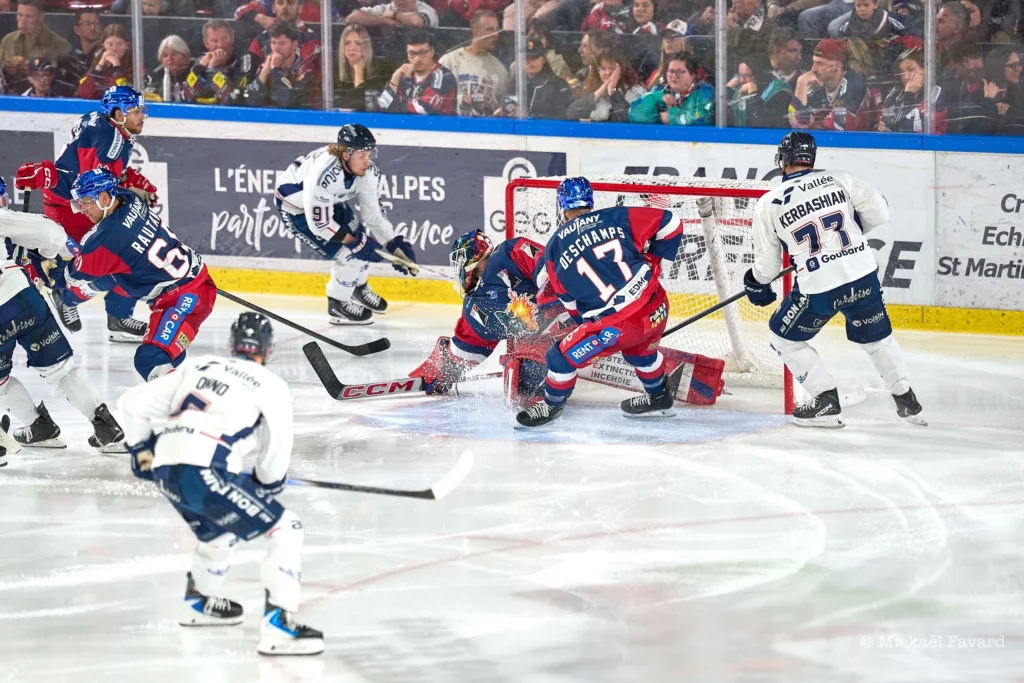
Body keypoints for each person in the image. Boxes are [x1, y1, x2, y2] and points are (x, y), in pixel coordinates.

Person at [117, 313, 324, 656]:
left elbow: (129, 404)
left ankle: (198, 603)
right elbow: (276, 452)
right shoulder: (271, 385)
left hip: (168, 468)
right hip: (205, 469)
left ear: (231, 345)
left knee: (220, 530)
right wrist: (267, 486)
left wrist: (140, 451)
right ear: (268, 350)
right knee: (286, 529)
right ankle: (278, 627)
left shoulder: (199, 365)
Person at [743, 132, 925, 428]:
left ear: (782, 160)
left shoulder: (770, 202)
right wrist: (843, 240)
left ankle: (826, 400)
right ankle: (908, 401)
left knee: (783, 339)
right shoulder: (839, 178)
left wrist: (755, 282)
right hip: (863, 275)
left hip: (819, 288)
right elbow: (880, 213)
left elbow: (767, 267)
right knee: (878, 341)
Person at [515, 177, 684, 428]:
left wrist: (587, 327)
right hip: (656, 305)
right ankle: (659, 398)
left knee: (559, 357)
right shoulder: (616, 216)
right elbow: (672, 223)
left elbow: (564, 298)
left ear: (562, 206)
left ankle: (550, 406)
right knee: (641, 352)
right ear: (590, 200)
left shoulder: (555, 245)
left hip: (616, 326)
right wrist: (654, 260)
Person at [15, 85, 156, 343]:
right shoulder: (111, 138)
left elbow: (96, 173)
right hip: (76, 208)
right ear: (117, 113)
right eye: (135, 110)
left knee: (121, 258)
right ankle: (68, 295)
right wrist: (129, 191)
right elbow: (90, 184)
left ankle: (106, 312)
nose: (141, 116)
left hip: (73, 203)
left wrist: (129, 181)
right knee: (115, 261)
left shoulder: (105, 125)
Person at [50, 168, 215, 381]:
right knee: (115, 275)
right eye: (79, 203)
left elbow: (66, 277)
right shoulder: (129, 198)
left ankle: (190, 406)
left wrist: (43, 265)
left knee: (150, 359)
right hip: (197, 281)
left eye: (86, 202)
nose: (82, 209)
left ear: (103, 197)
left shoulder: (107, 239)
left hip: (182, 298)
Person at [0, 177, 125, 452]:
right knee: (61, 370)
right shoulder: (8, 220)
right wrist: (67, 254)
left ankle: (39, 426)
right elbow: (49, 233)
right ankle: (107, 427)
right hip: (23, 298)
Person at [274, 124, 416, 325]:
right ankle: (338, 303)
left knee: (362, 238)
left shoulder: (366, 173)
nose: (367, 162)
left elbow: (374, 215)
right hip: (297, 210)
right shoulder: (323, 175)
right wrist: (354, 242)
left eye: (369, 155)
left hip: (330, 201)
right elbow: (320, 224)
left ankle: (358, 287)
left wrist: (393, 243)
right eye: (362, 156)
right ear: (346, 154)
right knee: (350, 251)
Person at [410, 230, 559, 402]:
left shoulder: (510, 252)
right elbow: (469, 346)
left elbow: (549, 268)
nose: (459, 264)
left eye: (461, 258)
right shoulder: (474, 304)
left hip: (574, 315)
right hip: (542, 346)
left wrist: (555, 300)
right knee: (525, 391)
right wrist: (444, 370)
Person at [439, 10, 508, 117]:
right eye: (490, 30)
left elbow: (501, 106)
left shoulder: (500, 69)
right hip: (452, 126)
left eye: (496, 29)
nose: (495, 35)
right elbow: (436, 99)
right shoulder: (449, 61)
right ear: (476, 33)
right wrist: (463, 99)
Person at [790, 38, 869, 130]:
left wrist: (811, 124)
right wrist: (801, 83)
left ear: (837, 66)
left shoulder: (854, 85)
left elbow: (835, 130)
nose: (813, 69)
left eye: (820, 63)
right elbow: (795, 126)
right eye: (814, 62)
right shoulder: (816, 84)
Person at [0, 0, 71, 94]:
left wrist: (34, 69)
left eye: (29, 16)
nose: (23, 21)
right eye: (20, 15)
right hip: (11, 100)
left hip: (46, 101)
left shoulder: (60, 45)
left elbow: (65, 82)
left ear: (41, 17)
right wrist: (5, 69)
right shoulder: (8, 40)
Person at [377, 31, 456, 115]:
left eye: (422, 53)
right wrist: (394, 79)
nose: (417, 59)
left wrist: (393, 107)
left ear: (432, 52)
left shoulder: (444, 76)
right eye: (412, 53)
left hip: (436, 127)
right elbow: (382, 107)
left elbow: (423, 108)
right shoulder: (402, 75)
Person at [244, 21, 320, 109]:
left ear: (294, 45)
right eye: (273, 43)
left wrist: (276, 70)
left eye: (282, 43)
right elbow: (250, 101)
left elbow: (288, 103)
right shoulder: (265, 67)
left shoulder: (306, 69)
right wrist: (264, 72)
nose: (276, 48)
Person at [628, 52, 714, 125]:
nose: (674, 76)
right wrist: (656, 97)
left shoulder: (705, 91)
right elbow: (634, 115)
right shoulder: (659, 91)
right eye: (671, 71)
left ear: (692, 75)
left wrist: (672, 117)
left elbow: (704, 117)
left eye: (680, 72)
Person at [877, 46, 947, 133]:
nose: (906, 77)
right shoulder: (894, 93)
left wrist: (909, 95)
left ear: (926, 70)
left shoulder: (936, 94)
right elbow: (883, 120)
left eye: (911, 70)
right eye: (902, 72)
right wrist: (879, 127)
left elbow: (912, 129)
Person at [183, 19, 252, 105]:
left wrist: (213, 70)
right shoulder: (201, 63)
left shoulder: (244, 60)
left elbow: (234, 99)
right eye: (215, 41)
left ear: (232, 37)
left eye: (224, 39)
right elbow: (186, 97)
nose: (220, 45)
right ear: (206, 43)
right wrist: (199, 69)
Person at [502, 36, 572, 119]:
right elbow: (506, 101)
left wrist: (531, 116)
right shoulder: (515, 84)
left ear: (543, 59)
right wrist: (506, 110)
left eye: (535, 57)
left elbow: (563, 117)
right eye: (526, 58)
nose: (530, 62)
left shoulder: (559, 86)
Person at [567, 49, 646, 121]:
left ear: (621, 70)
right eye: (603, 69)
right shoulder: (593, 90)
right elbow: (571, 113)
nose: (607, 73)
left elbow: (625, 119)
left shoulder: (635, 90)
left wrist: (612, 91)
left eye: (612, 68)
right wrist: (597, 94)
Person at [335, 24, 388, 111]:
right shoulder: (334, 69)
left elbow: (363, 103)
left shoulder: (380, 68)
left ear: (365, 46)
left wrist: (358, 71)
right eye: (347, 43)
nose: (352, 48)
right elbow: (334, 101)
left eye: (358, 43)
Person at [75, 24, 135, 99]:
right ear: (104, 45)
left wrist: (117, 67)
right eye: (110, 44)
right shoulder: (95, 63)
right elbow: (84, 93)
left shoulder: (135, 67)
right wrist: (99, 65)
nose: (114, 49)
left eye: (119, 44)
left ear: (127, 45)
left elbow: (122, 94)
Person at [53, 10, 102, 97]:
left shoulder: (105, 57)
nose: (92, 27)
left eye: (96, 23)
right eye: (88, 23)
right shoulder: (69, 61)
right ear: (77, 30)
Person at [981, 45, 1024, 134]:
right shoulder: (980, 90)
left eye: (1019, 64)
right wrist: (988, 100)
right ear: (999, 67)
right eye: (1013, 65)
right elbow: (982, 129)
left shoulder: (1020, 91)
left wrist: (1009, 112)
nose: (1020, 69)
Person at [143, 35, 193, 103]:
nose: (169, 59)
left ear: (185, 56)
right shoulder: (154, 76)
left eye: (174, 54)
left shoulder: (196, 70)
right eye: (165, 55)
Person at [345, 0, 440, 27]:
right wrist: (386, 20)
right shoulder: (387, 8)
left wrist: (395, 15)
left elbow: (417, 22)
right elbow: (352, 17)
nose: (402, 1)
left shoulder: (427, 10)